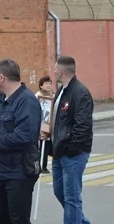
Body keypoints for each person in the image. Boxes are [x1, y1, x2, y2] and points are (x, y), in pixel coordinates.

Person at [0, 59, 41, 224]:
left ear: (2, 78)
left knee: (18, 219)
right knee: (2, 217)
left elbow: (25, 136)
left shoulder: (27, 101)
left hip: (18, 172)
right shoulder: (1, 99)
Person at [51, 56, 93, 224]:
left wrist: (70, 150)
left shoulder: (80, 92)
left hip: (72, 154)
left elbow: (82, 127)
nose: (53, 72)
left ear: (61, 71)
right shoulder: (62, 90)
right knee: (59, 191)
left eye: (55, 70)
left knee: (71, 198)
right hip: (58, 151)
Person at [35, 76, 55, 174]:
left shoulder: (54, 95)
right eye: (46, 83)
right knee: (43, 145)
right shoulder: (38, 97)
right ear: (41, 86)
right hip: (42, 124)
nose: (48, 85)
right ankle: (42, 166)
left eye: (50, 83)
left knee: (51, 145)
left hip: (52, 124)